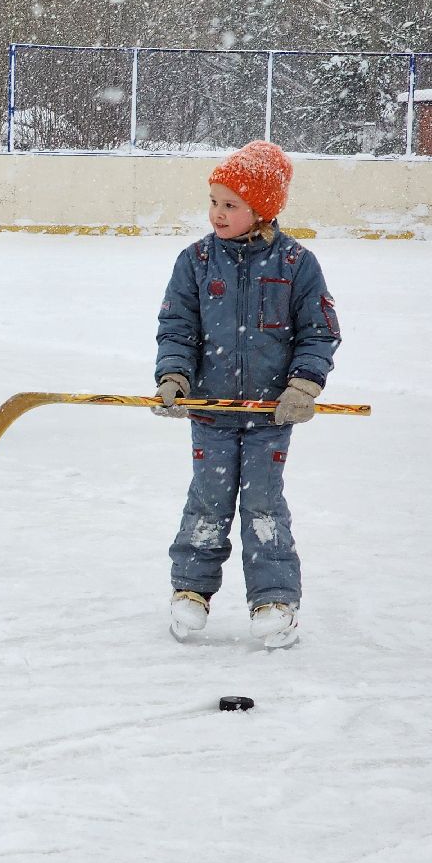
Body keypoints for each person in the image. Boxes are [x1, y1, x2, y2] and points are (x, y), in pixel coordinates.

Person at [154, 140, 341, 649]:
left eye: (230, 204)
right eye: (213, 200)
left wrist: (304, 384)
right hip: (211, 414)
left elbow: (319, 331)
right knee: (207, 501)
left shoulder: (298, 264)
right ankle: (190, 591)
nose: (217, 213)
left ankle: (274, 599)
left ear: (262, 208)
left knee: (263, 503)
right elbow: (177, 328)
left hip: (269, 417)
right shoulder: (194, 262)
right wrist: (174, 378)